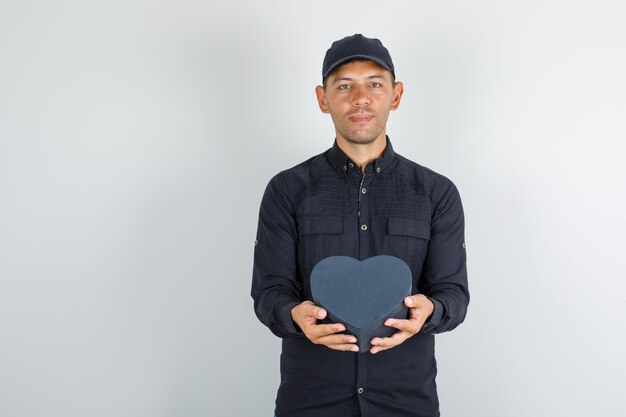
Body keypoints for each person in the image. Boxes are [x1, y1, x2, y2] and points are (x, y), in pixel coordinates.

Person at [251, 34, 469, 417]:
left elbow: (453, 294)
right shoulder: (287, 189)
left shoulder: (437, 193)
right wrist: (294, 316)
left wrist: (428, 312)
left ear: (396, 95)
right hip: (311, 401)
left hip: (406, 402)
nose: (360, 98)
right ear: (323, 98)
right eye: (345, 86)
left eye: (374, 84)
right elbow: (269, 291)